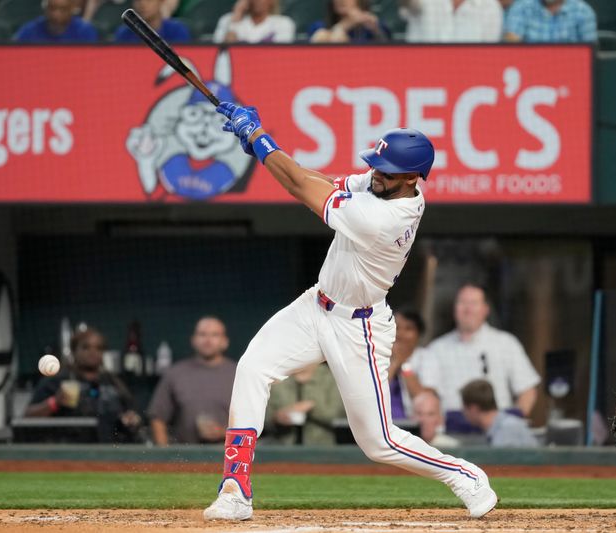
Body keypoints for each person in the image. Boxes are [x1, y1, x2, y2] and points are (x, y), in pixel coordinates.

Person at [203, 103, 498, 521]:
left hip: (359, 326)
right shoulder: (386, 187)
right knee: (252, 367)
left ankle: (465, 476)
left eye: (388, 170)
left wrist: (259, 138)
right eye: (378, 165)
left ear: (412, 179)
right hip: (316, 305)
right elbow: (319, 180)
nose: (377, 173)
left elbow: (301, 190)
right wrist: (267, 149)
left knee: (378, 443)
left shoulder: (385, 218)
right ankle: (236, 487)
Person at [419, 284, 540, 430]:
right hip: (452, 434)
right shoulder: (436, 349)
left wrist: (512, 426)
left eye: (474, 303)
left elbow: (528, 391)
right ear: (455, 309)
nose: (468, 309)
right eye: (462, 303)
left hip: (497, 433)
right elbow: (428, 394)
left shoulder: (506, 343)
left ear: (485, 309)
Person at [25, 327, 141, 443]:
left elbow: (132, 414)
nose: (93, 352)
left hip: (110, 453)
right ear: (74, 350)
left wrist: (131, 419)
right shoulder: (56, 382)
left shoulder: (115, 383)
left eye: (99, 348)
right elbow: (28, 418)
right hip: (68, 453)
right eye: (86, 347)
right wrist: (55, 402)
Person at [148, 317, 236, 445]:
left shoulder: (239, 374)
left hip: (231, 454)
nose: (208, 340)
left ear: (225, 342)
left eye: (215, 335)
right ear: (193, 340)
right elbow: (157, 417)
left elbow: (255, 421)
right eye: (202, 334)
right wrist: (165, 455)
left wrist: (224, 432)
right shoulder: (175, 373)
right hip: (186, 456)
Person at [264, 362, 346, 445]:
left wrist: (312, 407)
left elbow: (339, 416)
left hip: (321, 447)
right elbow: (263, 417)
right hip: (282, 446)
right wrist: (276, 418)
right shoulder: (278, 378)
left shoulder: (331, 377)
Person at [460, 379, 540, 447]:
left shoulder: (508, 428)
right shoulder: (497, 428)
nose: (463, 412)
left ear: (474, 409)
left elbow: (506, 464)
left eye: (464, 408)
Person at [400, 0, 503, 43]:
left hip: (469, 78)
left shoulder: (490, 7)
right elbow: (408, 4)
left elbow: (488, 57)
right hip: (420, 76)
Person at [387, 309, 427, 420]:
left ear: (418, 334)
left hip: (414, 425)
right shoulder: (376, 355)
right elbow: (375, 392)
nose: (401, 334)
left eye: (408, 329)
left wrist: (404, 363)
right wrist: (395, 363)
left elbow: (422, 398)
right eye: (397, 328)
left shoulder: (427, 358)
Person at [503, 0, 596, 43]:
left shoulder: (583, 11)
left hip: (571, 70)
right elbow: (511, 42)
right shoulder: (521, 7)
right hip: (530, 68)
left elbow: (591, 53)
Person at [15, 0, 99, 43]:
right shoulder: (29, 30)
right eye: (52, 8)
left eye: (63, 9)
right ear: (45, 8)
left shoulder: (84, 31)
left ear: (72, 9)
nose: (56, 14)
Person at [214, 0, 295, 43]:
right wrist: (236, 17)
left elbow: (280, 53)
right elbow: (220, 52)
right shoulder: (227, 20)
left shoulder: (283, 23)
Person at [309, 0, 390, 43]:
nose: (340, 0)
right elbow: (316, 40)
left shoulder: (371, 27)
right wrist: (344, 25)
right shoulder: (319, 26)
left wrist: (375, 29)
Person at [114, 0, 190, 43]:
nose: (143, 5)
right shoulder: (124, 33)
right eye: (138, 0)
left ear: (161, 2)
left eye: (149, 0)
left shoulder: (177, 30)